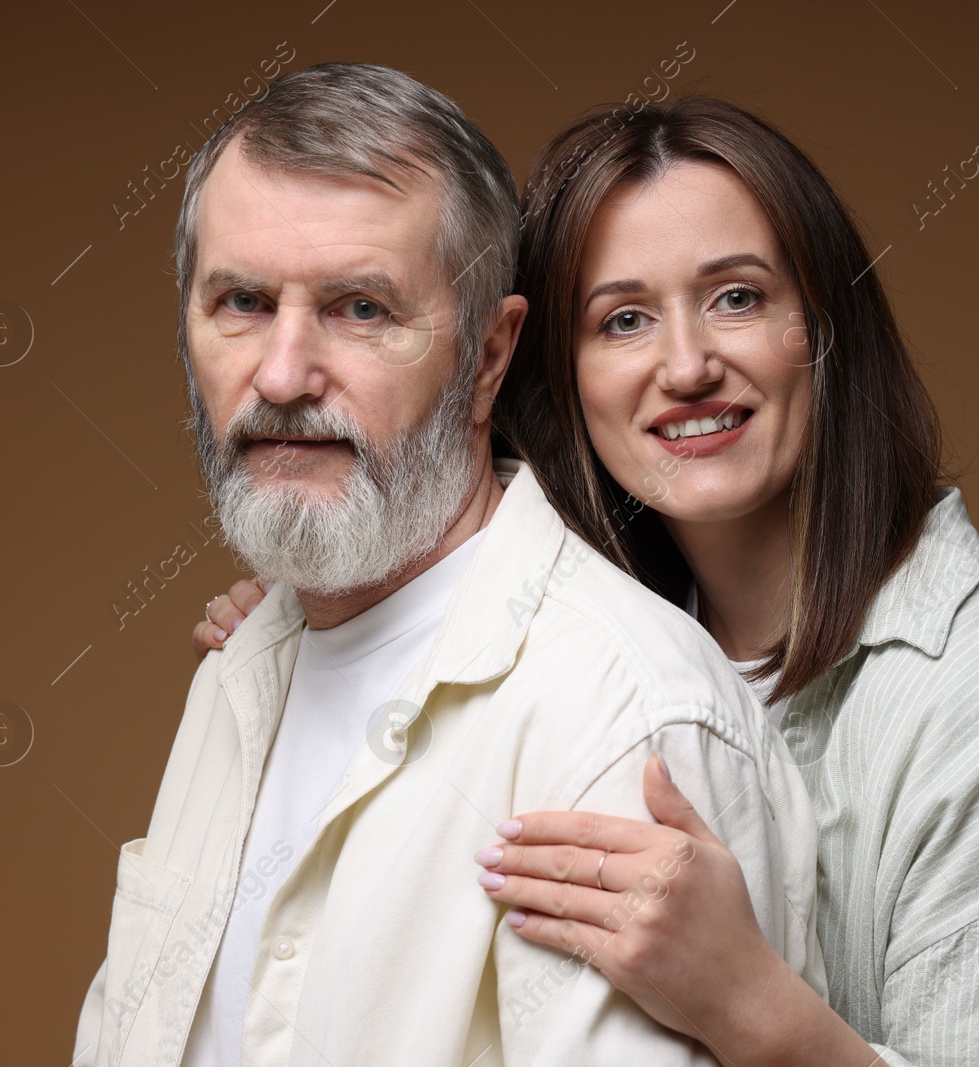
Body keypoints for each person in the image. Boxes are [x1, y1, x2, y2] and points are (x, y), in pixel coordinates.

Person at [201, 95, 979, 1065]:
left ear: (822, 332)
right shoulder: (599, 642)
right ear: (548, 370)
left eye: (737, 297)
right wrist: (336, 620)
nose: (685, 366)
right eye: (622, 320)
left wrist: (747, 1002)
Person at [79, 64, 823, 1067]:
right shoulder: (236, 671)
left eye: (360, 309)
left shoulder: (615, 716)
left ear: (486, 355)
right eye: (243, 302)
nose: (285, 374)